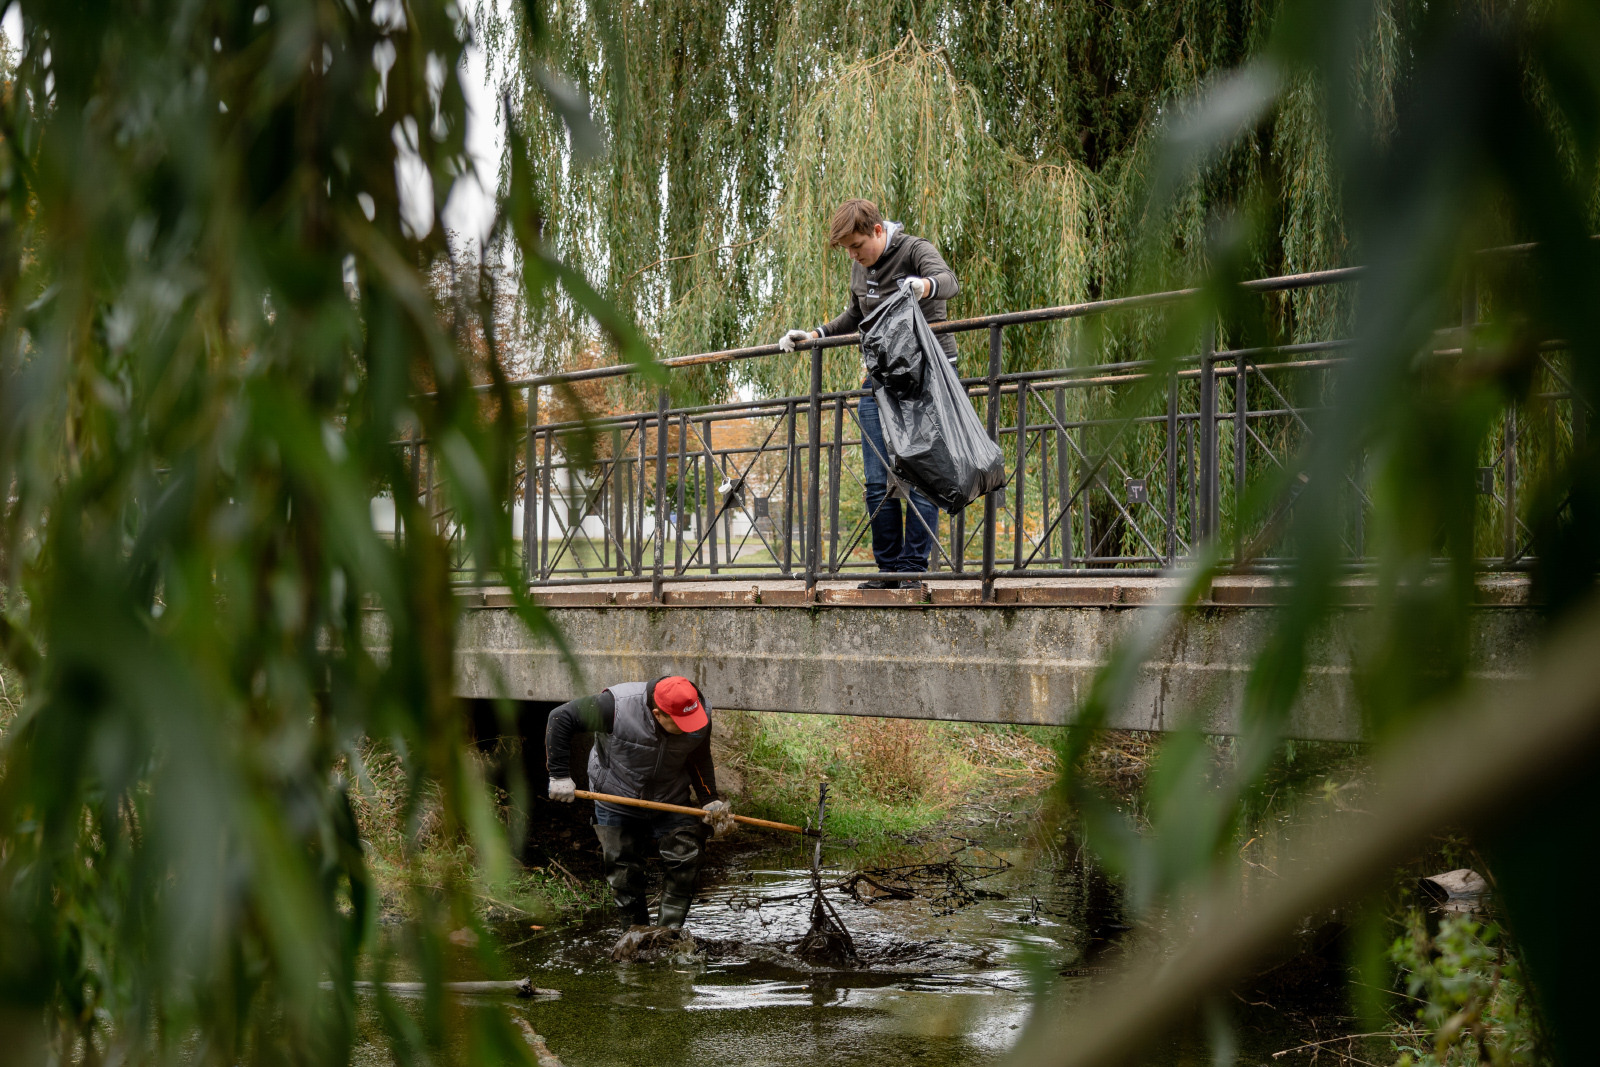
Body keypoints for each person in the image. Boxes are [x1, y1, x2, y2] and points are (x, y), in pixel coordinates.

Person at [777, 198, 960, 590]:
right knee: (878, 480)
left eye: (857, 246)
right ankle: (888, 571)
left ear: (878, 231)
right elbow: (855, 317)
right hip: (882, 377)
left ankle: (913, 570)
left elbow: (949, 281)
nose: (854, 256)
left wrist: (923, 286)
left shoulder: (914, 249)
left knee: (923, 474)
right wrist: (814, 336)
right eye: (847, 250)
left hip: (926, 374)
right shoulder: (860, 268)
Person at [545, 675, 734, 930]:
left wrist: (709, 798)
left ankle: (668, 935)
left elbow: (699, 756)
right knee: (624, 874)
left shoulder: (699, 713)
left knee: (686, 858)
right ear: (658, 714)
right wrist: (558, 774)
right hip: (615, 795)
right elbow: (560, 717)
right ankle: (635, 936)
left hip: (670, 797)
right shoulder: (615, 707)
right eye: (682, 723)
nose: (691, 727)